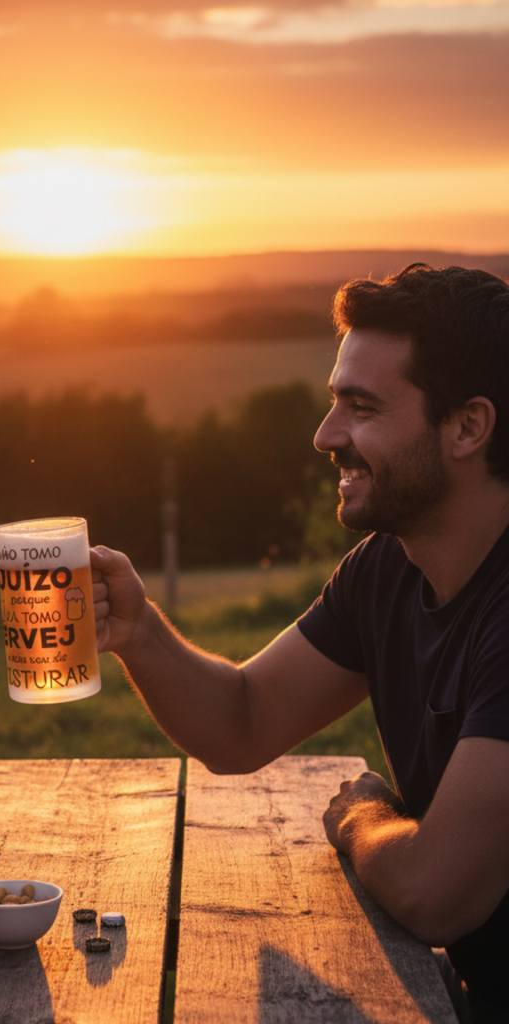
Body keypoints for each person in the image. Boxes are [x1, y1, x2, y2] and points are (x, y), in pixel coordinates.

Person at [90, 263, 509, 1023]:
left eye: (362, 407)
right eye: (334, 401)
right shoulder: (388, 568)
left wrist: (359, 818)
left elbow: (435, 892)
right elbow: (243, 720)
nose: (326, 435)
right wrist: (139, 632)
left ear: (467, 427)